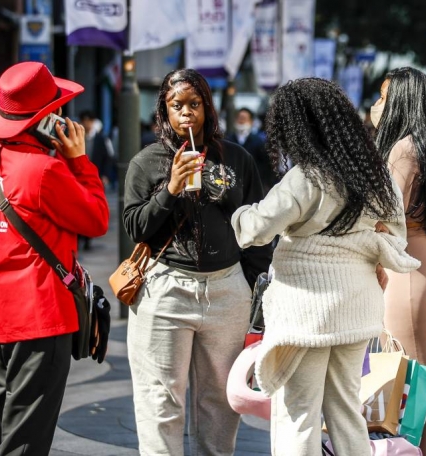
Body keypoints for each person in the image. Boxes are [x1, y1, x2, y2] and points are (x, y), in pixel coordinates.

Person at [231, 78, 419, 456]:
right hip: (357, 305)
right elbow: (397, 237)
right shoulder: (376, 176)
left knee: (298, 411)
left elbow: (253, 230)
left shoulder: (307, 177)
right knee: (347, 410)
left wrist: (237, 209)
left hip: (307, 311)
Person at [122, 68, 272, 455]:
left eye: (195, 104)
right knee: (160, 402)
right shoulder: (147, 162)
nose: (186, 113)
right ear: (165, 111)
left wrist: (250, 285)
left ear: (207, 106)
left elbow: (257, 228)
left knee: (220, 402)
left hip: (226, 292)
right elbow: (135, 227)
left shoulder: (236, 158)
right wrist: (170, 189)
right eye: (177, 106)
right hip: (165, 290)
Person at [0, 62, 109, 455]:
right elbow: (97, 219)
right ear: (47, 120)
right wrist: (78, 160)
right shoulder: (45, 170)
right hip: (38, 319)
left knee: (0, 428)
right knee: (26, 436)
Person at [373, 67, 426, 456]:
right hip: (421, 260)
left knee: (419, 377)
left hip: (408, 268)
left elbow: (387, 214)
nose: (377, 105)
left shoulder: (403, 148)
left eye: (384, 97)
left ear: (400, 101)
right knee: (419, 375)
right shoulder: (423, 143)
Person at [79, 110, 115, 250]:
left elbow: (108, 158)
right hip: (79, 178)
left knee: (92, 207)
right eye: (84, 121)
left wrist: (105, 175)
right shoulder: (78, 137)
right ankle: (82, 236)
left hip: (96, 178)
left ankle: (87, 238)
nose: (87, 124)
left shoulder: (101, 139)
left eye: (89, 121)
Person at [226, 107, 276, 192]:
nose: (241, 121)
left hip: (253, 184)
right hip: (232, 183)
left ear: (251, 121)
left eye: (244, 118)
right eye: (239, 118)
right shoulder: (228, 140)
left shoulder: (259, 142)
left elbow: (266, 165)